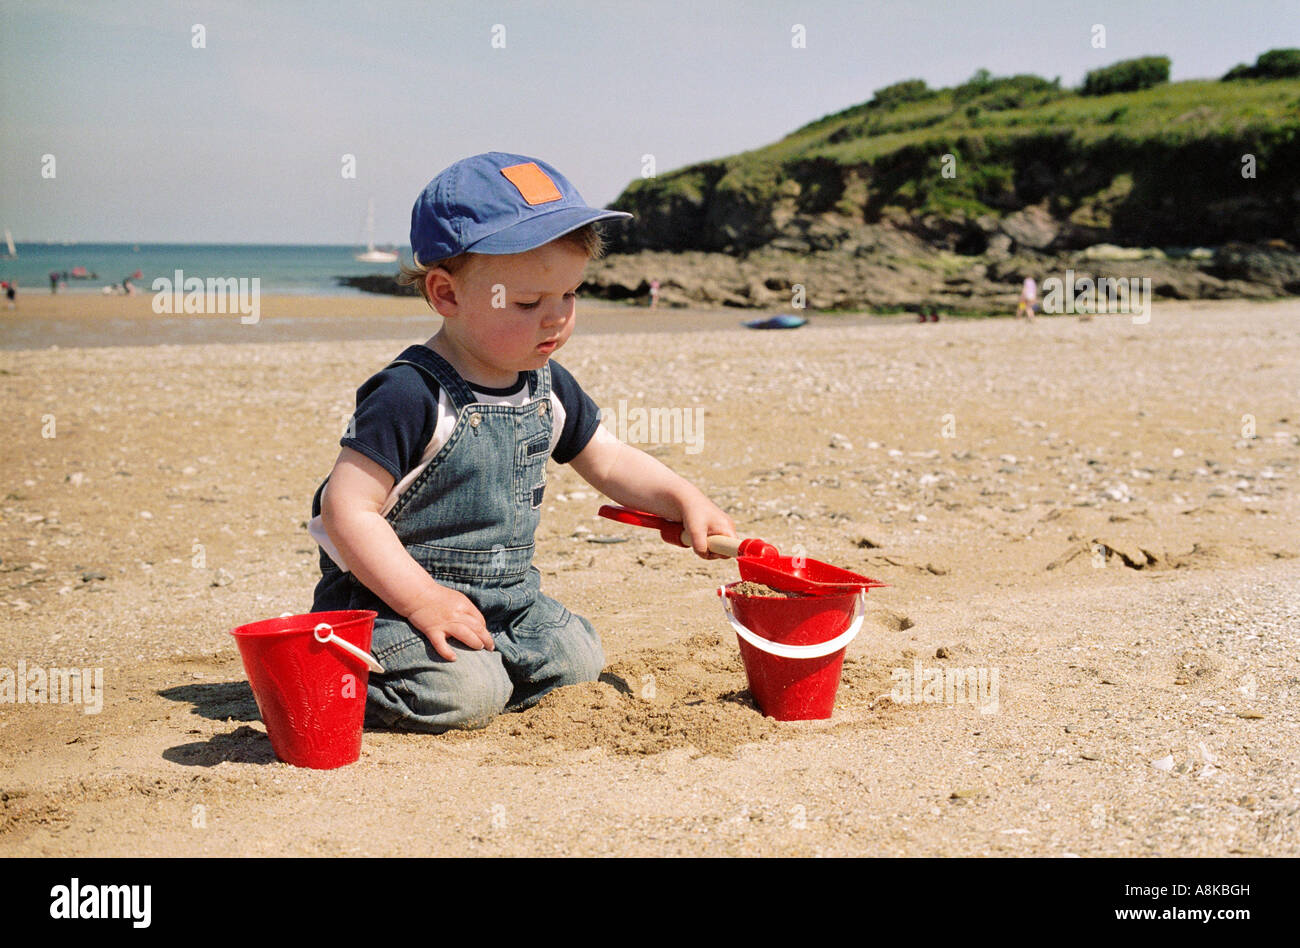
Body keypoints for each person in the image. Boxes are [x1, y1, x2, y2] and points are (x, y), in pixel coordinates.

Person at [307, 152, 736, 733]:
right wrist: (421, 600)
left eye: (570, 295)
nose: (555, 319)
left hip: (507, 602)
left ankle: (490, 662)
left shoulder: (547, 386)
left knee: (577, 659)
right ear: (446, 294)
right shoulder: (409, 393)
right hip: (386, 605)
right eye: (529, 303)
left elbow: (608, 459)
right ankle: (337, 669)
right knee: (466, 694)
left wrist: (682, 498)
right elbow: (345, 510)